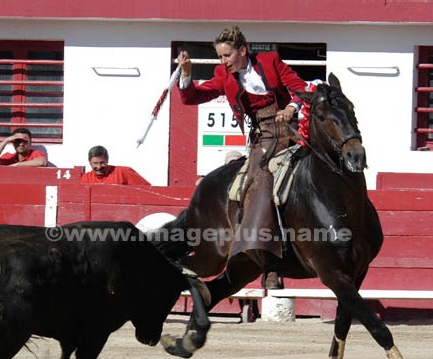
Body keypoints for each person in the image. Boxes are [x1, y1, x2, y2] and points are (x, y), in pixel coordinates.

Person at [177, 26, 305, 289]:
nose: (223, 62)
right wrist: (187, 75)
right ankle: (270, 262)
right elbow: (193, 97)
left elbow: (300, 88)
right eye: (220, 57)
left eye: (226, 56)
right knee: (260, 182)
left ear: (242, 50)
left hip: (293, 129)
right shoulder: (223, 75)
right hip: (265, 137)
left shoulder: (270, 61)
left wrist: (291, 107)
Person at [80, 145, 150, 185]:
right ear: (90, 163)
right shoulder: (86, 179)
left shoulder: (123, 172)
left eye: (102, 163)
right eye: (95, 163)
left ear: (107, 160)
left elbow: (147, 189)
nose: (99, 167)